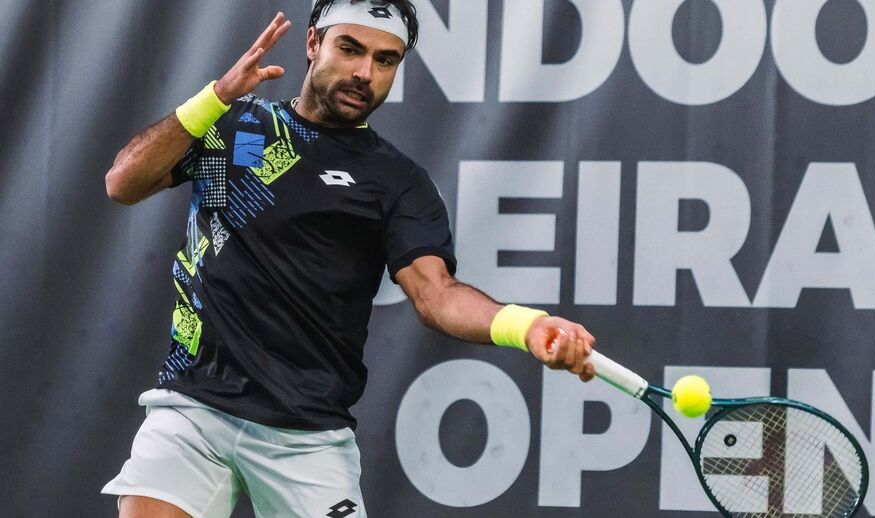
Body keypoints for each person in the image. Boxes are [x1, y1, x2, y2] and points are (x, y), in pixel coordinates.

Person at [102, 1, 596, 517]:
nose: (365, 73)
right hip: (193, 410)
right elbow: (122, 183)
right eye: (350, 49)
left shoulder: (397, 181)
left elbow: (437, 296)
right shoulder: (233, 125)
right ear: (313, 43)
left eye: (385, 60)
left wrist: (527, 325)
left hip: (307, 434)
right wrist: (218, 96)